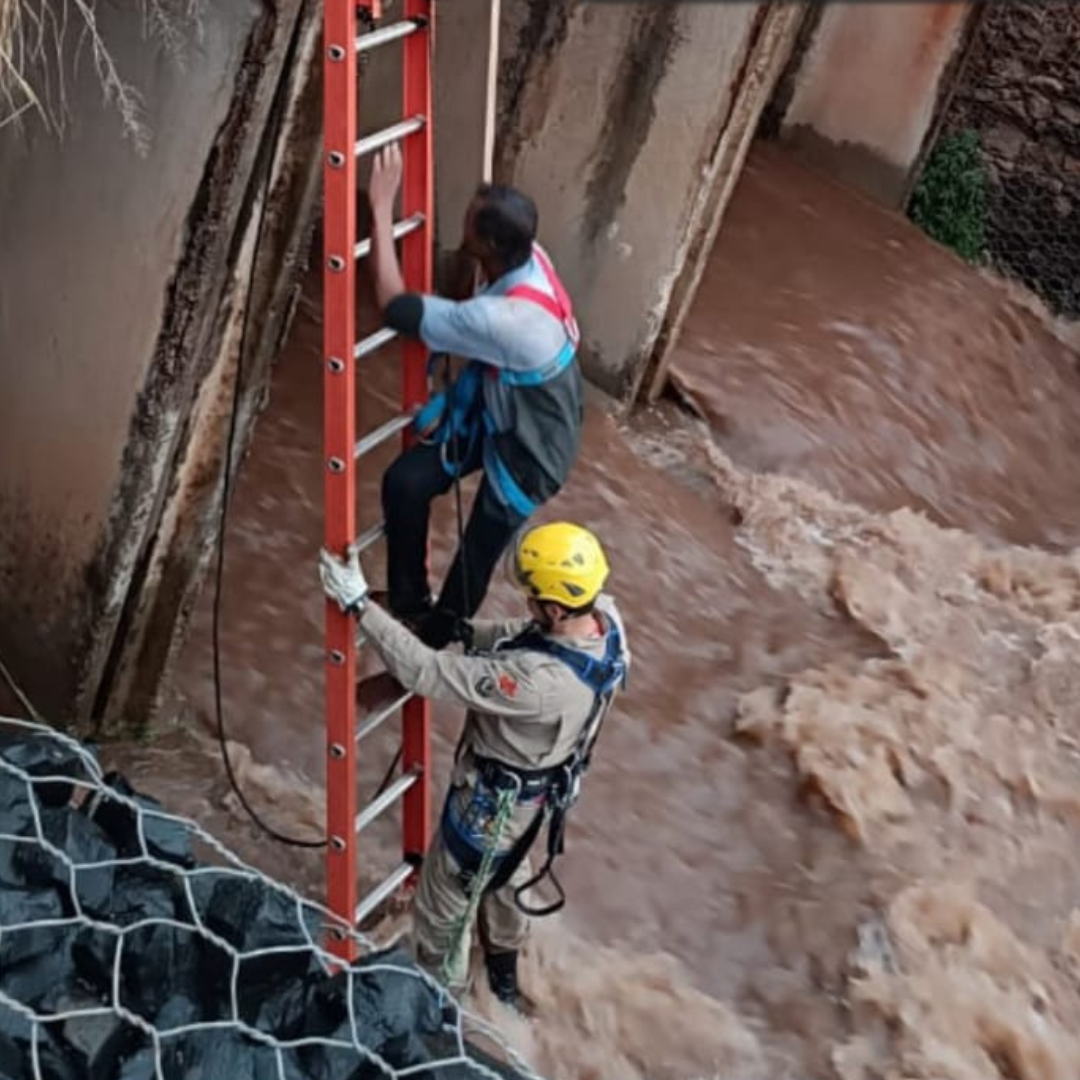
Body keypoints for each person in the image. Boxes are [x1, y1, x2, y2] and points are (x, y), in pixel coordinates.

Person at [319, 522, 629, 1008]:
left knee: (443, 909)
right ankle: (505, 983)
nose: (525, 605)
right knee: (505, 878)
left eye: (532, 599)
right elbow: (522, 635)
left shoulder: (539, 684)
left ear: (554, 608)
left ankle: (443, 1007)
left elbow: (427, 673)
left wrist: (359, 606)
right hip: (531, 800)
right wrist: (462, 631)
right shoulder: (606, 623)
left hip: (487, 810)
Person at [367, 143, 584, 648]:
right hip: (498, 408)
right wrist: (451, 403)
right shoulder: (528, 261)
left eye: (467, 222)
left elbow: (394, 307)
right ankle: (408, 604)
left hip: (536, 448)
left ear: (486, 243)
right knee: (406, 483)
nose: (458, 225)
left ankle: (433, 641)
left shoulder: (502, 318)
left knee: (476, 552)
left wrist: (380, 208)